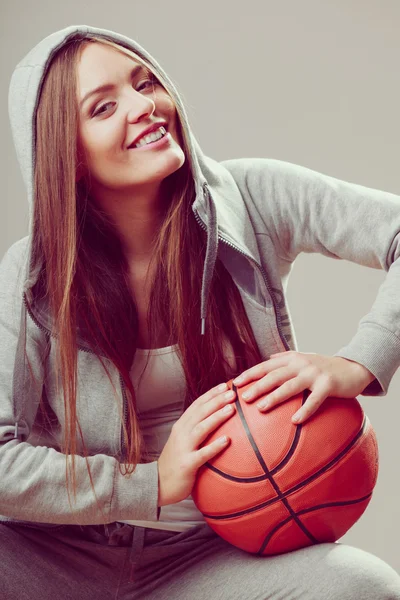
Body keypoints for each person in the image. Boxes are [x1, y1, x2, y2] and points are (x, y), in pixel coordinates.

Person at [1, 23, 399, 600]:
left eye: (144, 82)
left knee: (363, 588)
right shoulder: (32, 275)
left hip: (206, 559)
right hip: (56, 558)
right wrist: (149, 484)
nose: (144, 106)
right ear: (67, 154)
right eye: (105, 106)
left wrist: (363, 359)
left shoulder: (255, 196)